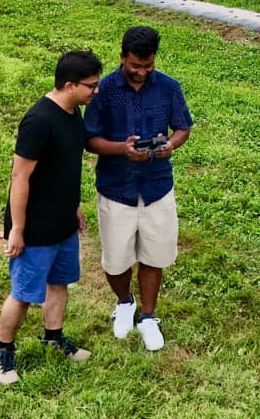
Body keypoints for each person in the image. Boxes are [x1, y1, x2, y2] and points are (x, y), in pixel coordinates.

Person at [0, 49, 103, 386]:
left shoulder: (72, 113)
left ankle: (53, 338)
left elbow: (63, 167)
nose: (95, 92)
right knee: (24, 293)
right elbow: (19, 177)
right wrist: (18, 230)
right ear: (69, 85)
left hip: (63, 222)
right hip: (36, 227)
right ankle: (2, 351)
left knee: (59, 283)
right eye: (91, 86)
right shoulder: (39, 120)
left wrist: (73, 206)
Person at [85, 26, 193, 352]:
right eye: (135, 65)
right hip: (116, 187)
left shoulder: (168, 87)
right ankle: (124, 301)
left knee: (153, 254)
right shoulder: (102, 91)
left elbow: (183, 127)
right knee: (116, 260)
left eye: (148, 66)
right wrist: (122, 149)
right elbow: (89, 139)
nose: (141, 72)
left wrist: (170, 144)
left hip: (157, 185)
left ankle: (148, 315)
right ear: (122, 57)